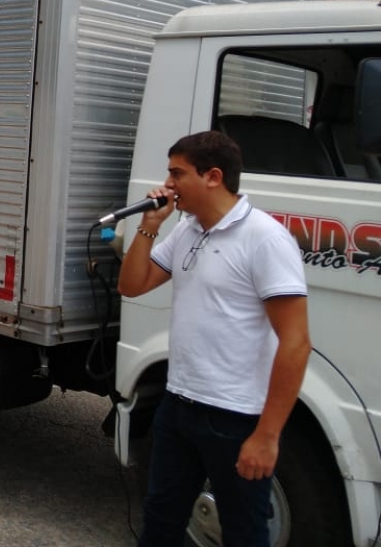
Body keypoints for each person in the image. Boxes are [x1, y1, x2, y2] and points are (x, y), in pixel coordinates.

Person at [118, 130, 310, 547]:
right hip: (179, 404)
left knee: (244, 532)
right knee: (160, 520)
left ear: (213, 177)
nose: (168, 184)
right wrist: (149, 227)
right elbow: (131, 285)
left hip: (234, 417)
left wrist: (267, 436)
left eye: (177, 174)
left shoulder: (264, 238)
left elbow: (295, 342)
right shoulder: (188, 231)